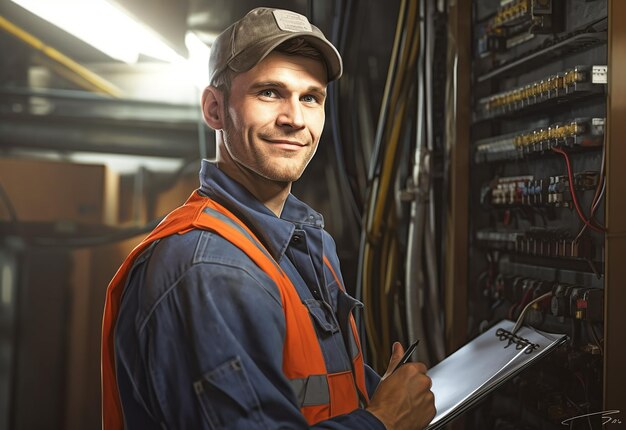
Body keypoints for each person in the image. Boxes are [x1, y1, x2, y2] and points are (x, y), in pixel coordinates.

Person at [101, 7, 435, 430]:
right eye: (269, 92)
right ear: (214, 109)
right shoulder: (209, 268)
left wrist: (374, 392)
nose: (295, 118)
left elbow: (309, 390)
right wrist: (384, 420)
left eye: (310, 97)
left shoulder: (308, 242)